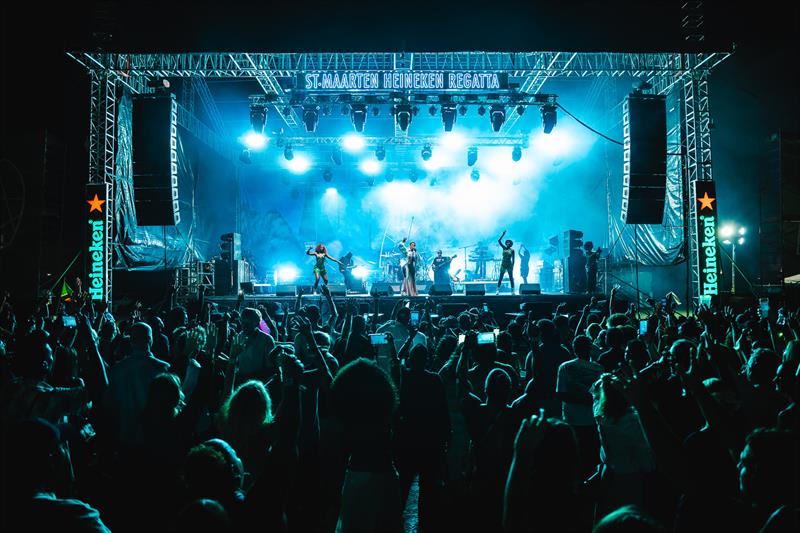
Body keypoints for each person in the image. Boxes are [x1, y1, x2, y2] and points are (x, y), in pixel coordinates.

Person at [497, 230, 515, 294]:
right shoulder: (504, 248)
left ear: (510, 244)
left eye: (509, 242)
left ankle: (512, 291)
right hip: (503, 264)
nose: (507, 243)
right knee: (500, 277)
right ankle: (498, 290)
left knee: (511, 278)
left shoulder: (512, 250)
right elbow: (499, 241)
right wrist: (503, 234)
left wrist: (513, 266)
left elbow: (513, 259)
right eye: (507, 242)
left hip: (509, 264)